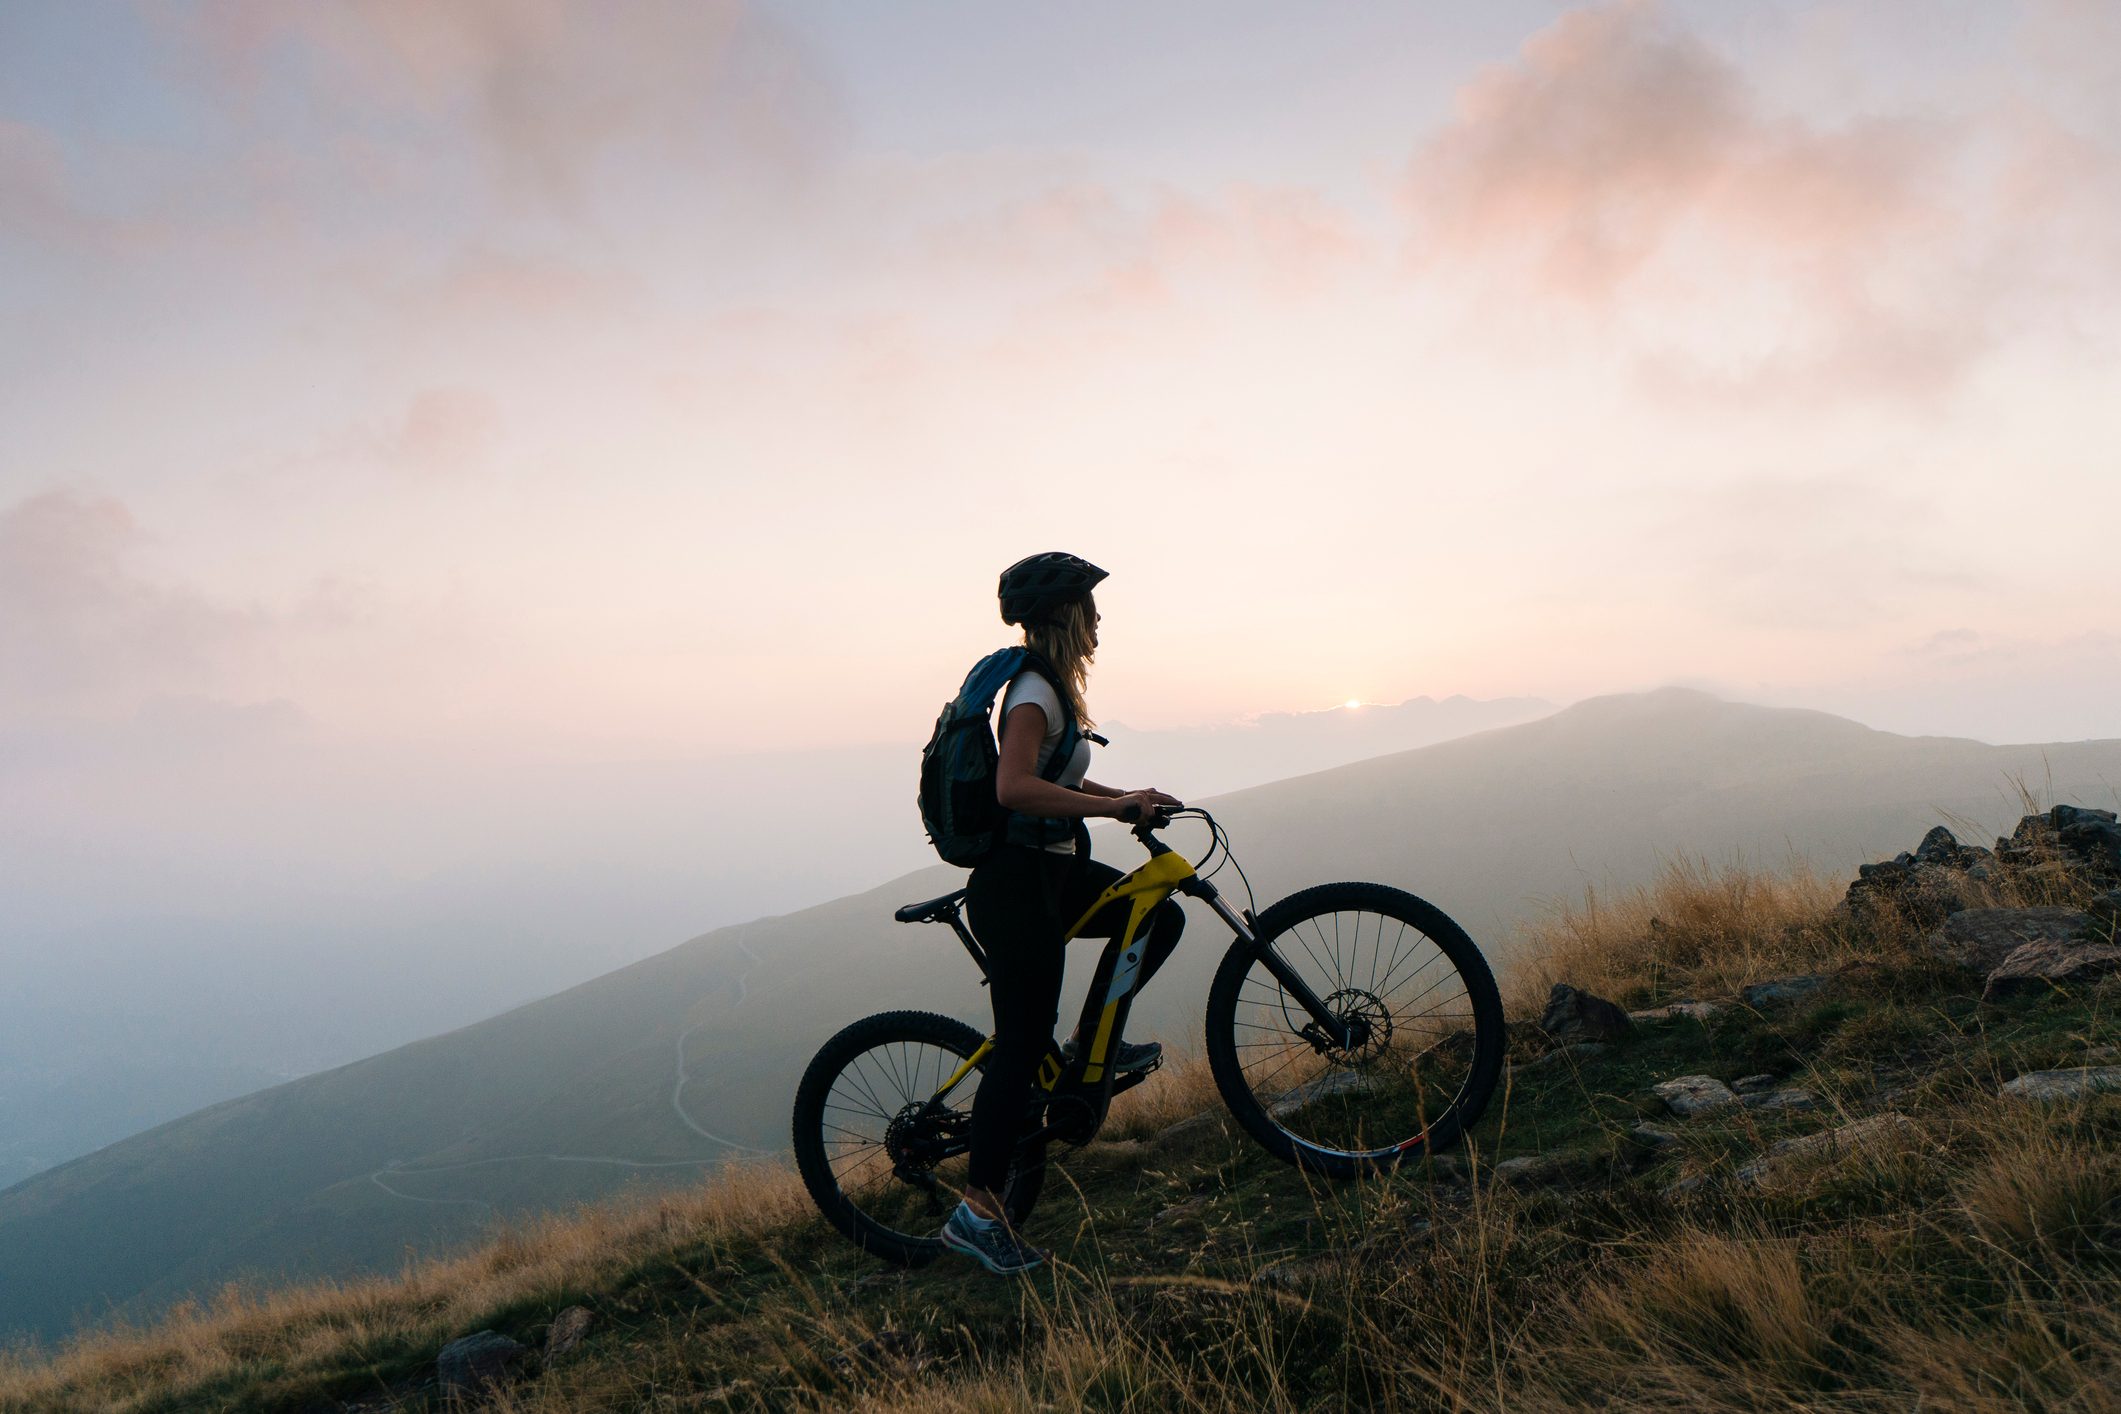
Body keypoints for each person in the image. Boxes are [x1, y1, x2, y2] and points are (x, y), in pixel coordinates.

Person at [939, 551, 1185, 1275]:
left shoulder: (1051, 694)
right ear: (1067, 615)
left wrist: (1126, 795)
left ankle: (1085, 1053)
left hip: (1053, 872)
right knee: (1019, 1044)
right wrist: (1111, 807)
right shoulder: (1031, 695)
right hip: (1015, 885)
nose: (1100, 619)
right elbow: (1015, 788)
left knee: (1156, 915)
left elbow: (1057, 775)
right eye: (1091, 606)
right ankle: (977, 1214)